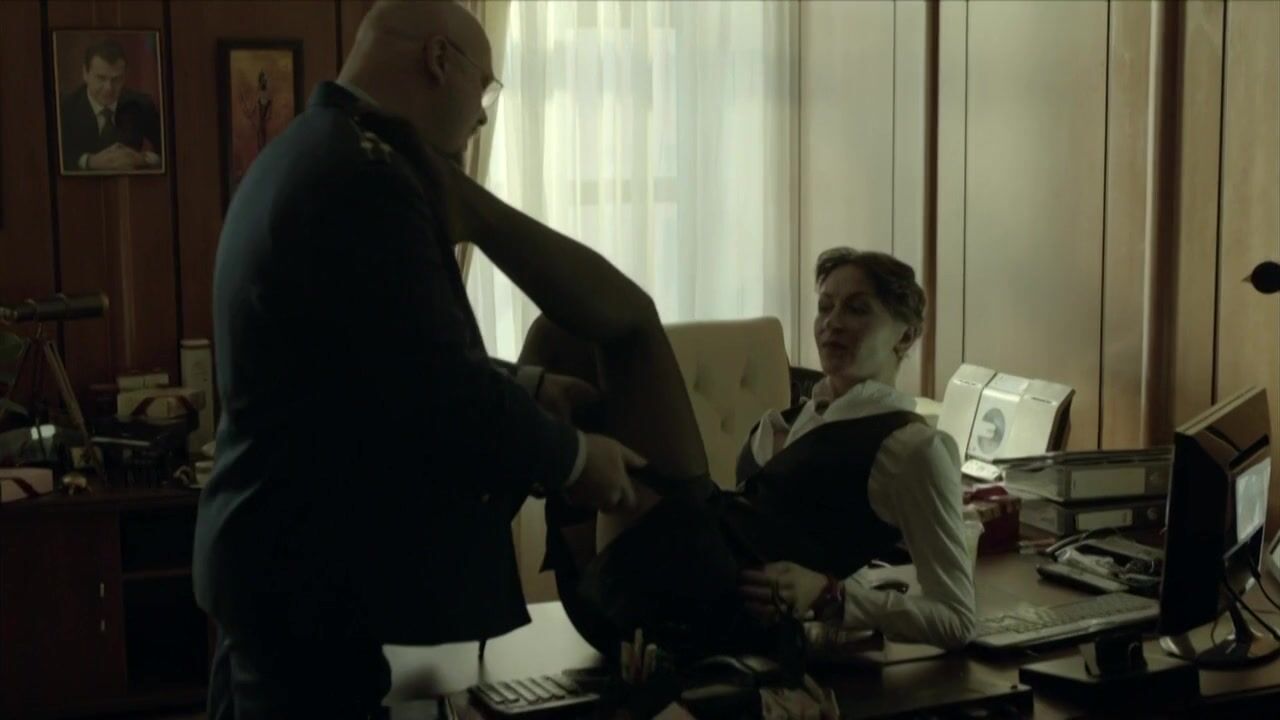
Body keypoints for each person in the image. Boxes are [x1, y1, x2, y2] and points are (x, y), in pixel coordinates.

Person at [193, 1, 671, 718]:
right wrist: (575, 459)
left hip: (271, 559)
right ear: (439, 59)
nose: (480, 116)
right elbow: (438, 390)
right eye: (485, 86)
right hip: (307, 571)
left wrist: (529, 385)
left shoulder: (307, 151)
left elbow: (378, 359)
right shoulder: (367, 178)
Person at [532, 248, 976, 661]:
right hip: (626, 590)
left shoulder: (914, 448)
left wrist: (833, 597)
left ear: (907, 334)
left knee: (631, 322)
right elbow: (812, 532)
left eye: (857, 309)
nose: (832, 323)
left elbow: (956, 618)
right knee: (559, 332)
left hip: (698, 604)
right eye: (825, 307)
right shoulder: (790, 420)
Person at [58, 39, 161, 172]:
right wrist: (89, 161)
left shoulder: (142, 104)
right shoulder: (64, 107)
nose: (109, 88)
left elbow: (169, 150)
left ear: (125, 76)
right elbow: (54, 156)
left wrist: (143, 159)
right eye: (101, 78)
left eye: (116, 79)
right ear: (85, 73)